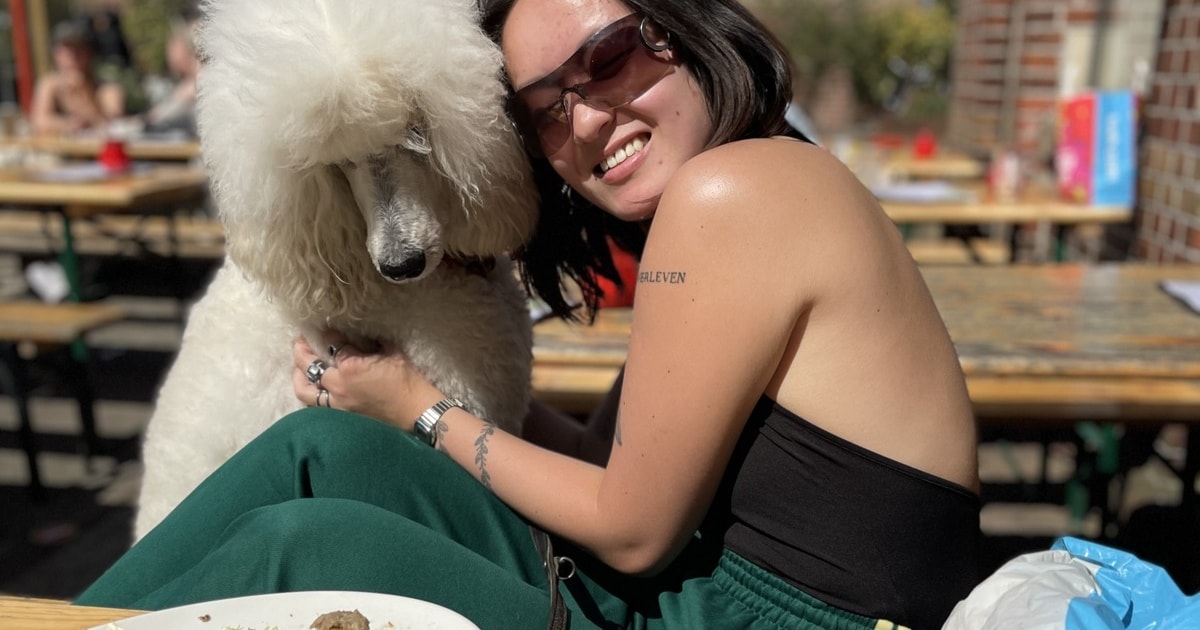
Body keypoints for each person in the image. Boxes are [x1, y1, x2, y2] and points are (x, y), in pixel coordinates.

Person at [76, 0, 982, 628]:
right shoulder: (762, 176)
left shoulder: (729, 192)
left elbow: (633, 529)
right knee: (321, 449)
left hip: (763, 618)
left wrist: (421, 407)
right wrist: (412, 389)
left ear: (681, 26)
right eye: (544, 108)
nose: (583, 122)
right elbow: (614, 466)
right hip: (694, 588)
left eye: (608, 57)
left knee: (304, 544)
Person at [30, 21, 125, 135]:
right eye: (67, 49)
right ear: (55, 54)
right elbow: (39, 120)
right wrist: (68, 124)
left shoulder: (108, 88)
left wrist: (85, 92)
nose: (73, 55)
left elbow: (113, 123)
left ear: (90, 53)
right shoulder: (50, 84)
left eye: (79, 49)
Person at [140, 17, 199, 135]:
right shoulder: (188, 83)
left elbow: (158, 117)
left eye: (173, 46)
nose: (169, 55)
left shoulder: (196, 83)